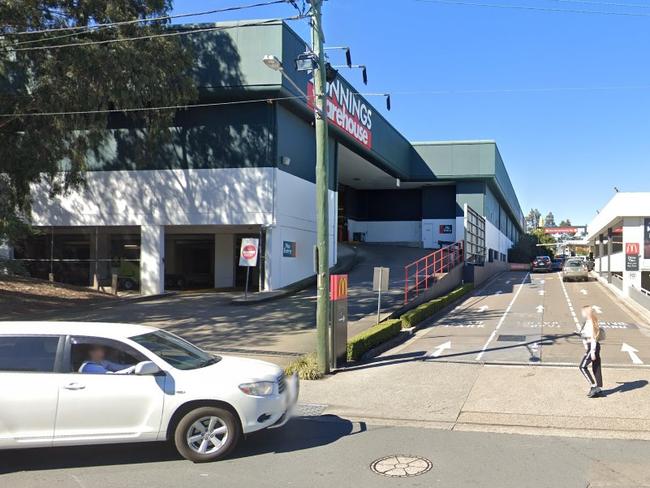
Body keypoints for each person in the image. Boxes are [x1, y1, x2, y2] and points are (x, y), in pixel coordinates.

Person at [578, 305, 603, 398]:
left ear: (586, 312)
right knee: (596, 367)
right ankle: (598, 388)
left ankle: (593, 386)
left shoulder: (591, 322)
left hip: (593, 346)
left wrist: (592, 351)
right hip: (592, 346)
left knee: (582, 366)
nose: (582, 313)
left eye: (583, 312)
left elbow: (593, 337)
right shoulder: (589, 321)